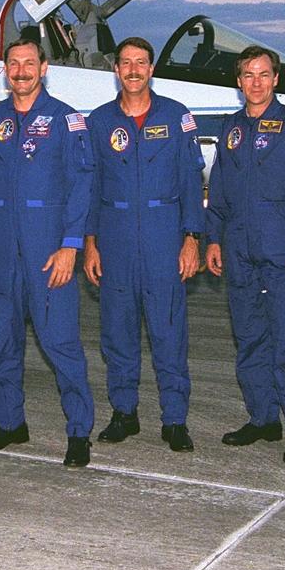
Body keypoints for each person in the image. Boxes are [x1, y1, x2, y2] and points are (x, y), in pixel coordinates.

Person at [0, 38, 96, 467]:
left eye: (28, 63)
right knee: (2, 341)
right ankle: (9, 423)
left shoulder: (66, 119)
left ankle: (78, 432)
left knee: (60, 343)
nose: (20, 70)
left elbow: (82, 187)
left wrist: (70, 246)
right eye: (13, 63)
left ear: (44, 68)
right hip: (0, 248)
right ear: (5, 70)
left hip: (48, 249)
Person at [205, 45, 285, 464]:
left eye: (263, 74)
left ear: (276, 79)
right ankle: (263, 419)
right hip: (239, 251)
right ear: (238, 82)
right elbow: (219, 188)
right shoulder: (231, 129)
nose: (255, 82)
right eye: (247, 75)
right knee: (250, 341)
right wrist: (214, 238)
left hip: (283, 252)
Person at [83, 37, 204, 452]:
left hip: (163, 236)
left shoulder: (176, 117)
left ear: (151, 69)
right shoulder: (99, 122)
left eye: (141, 63)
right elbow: (90, 186)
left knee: (169, 333)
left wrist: (192, 239)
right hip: (114, 239)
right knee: (117, 333)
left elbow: (191, 182)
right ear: (116, 70)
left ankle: (174, 420)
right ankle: (124, 413)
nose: (133, 70)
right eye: (126, 63)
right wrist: (91, 243)